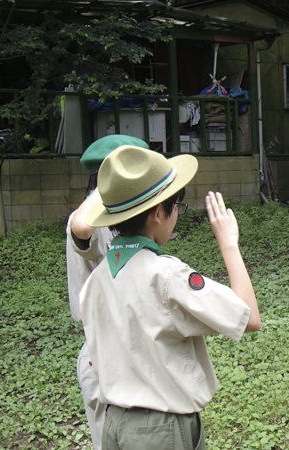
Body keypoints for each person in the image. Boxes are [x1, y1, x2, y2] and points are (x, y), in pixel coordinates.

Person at [78, 145, 261, 449]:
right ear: (157, 214)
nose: (178, 212)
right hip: (160, 431)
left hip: (113, 425)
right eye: (177, 204)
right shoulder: (167, 278)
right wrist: (229, 244)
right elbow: (249, 317)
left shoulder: (96, 279)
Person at [66, 134, 151, 449]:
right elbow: (80, 229)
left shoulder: (121, 220)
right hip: (103, 349)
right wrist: (110, 185)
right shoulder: (93, 220)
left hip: (128, 346)